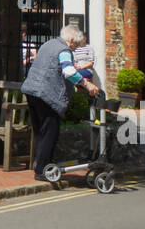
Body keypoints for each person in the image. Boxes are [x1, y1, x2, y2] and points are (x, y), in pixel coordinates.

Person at [21, 24, 101, 182]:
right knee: (50, 131)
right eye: (75, 45)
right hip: (47, 95)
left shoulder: (48, 44)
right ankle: (42, 170)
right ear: (70, 40)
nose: (75, 48)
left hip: (31, 91)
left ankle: (41, 165)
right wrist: (87, 84)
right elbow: (69, 71)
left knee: (40, 131)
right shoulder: (64, 50)